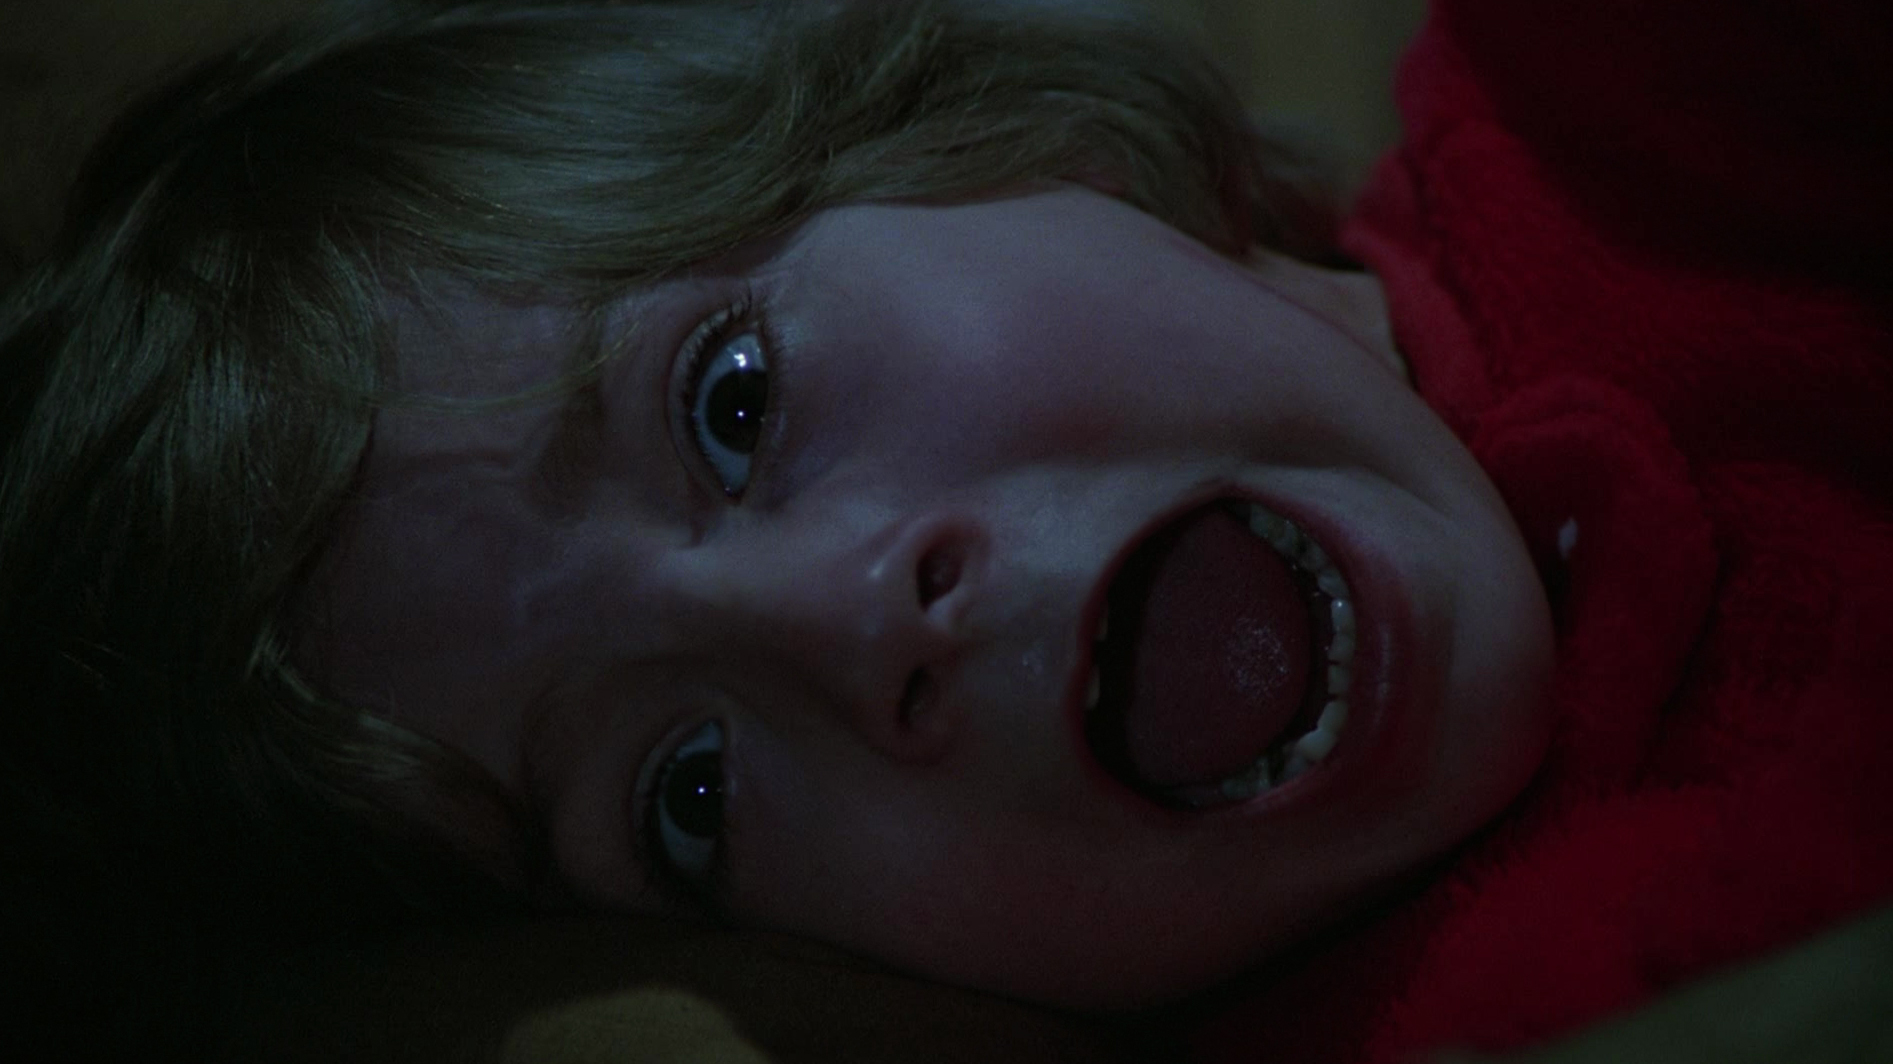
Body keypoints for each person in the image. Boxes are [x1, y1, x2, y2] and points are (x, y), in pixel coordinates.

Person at [0, 1, 1885, 1062]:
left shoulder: (1639, 85)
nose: (840, 623)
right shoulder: (1461, 1024)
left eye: (733, 401)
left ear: (986, 138)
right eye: (686, 798)